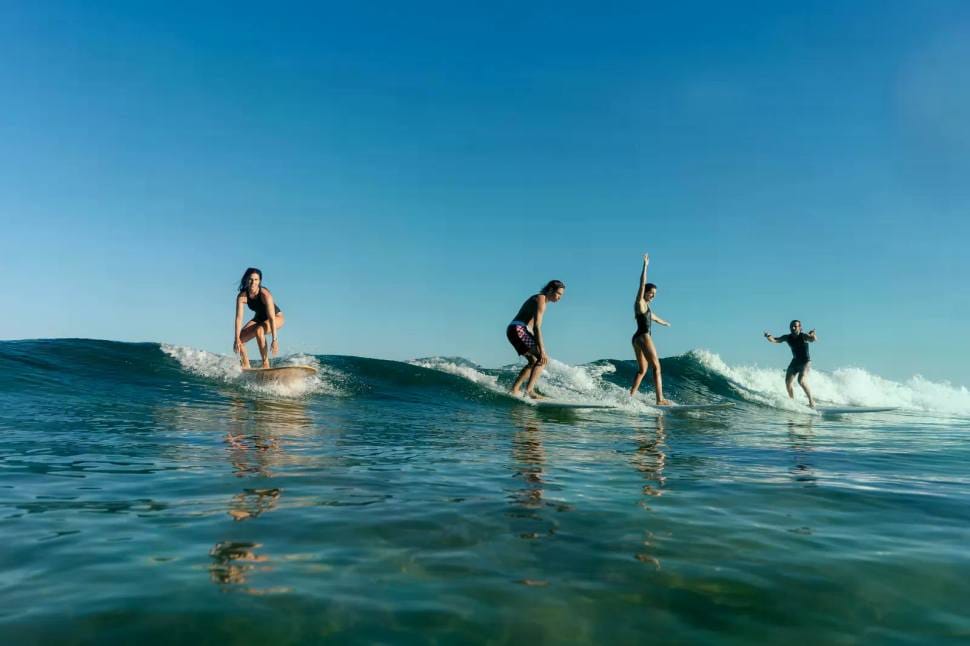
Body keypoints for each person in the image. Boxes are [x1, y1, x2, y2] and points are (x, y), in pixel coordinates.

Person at [506, 280, 565, 398]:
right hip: (518, 329)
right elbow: (537, 327)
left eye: (561, 295)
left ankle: (514, 389)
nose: (559, 298)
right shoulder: (541, 299)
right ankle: (529, 391)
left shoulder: (540, 299)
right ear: (550, 290)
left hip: (515, 329)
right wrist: (542, 351)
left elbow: (533, 328)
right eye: (558, 294)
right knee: (542, 359)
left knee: (533, 361)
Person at [629, 253, 671, 403]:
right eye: (651, 293)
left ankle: (630, 396)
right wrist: (645, 266)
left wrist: (665, 323)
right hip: (644, 336)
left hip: (636, 338)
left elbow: (653, 317)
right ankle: (660, 399)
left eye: (654, 294)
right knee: (657, 367)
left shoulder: (646, 308)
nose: (653, 296)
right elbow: (641, 283)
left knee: (642, 370)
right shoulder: (640, 302)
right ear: (645, 292)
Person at [233, 267, 285, 368]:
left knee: (259, 330)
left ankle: (266, 364)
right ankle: (246, 366)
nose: (253, 282)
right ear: (246, 279)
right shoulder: (242, 296)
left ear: (259, 281)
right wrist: (236, 339)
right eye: (251, 279)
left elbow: (271, 318)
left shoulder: (265, 295)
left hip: (276, 317)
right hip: (259, 318)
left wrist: (274, 339)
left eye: (256, 280)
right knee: (241, 339)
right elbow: (239, 318)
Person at [764, 321, 817, 408]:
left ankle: (812, 401)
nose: (793, 328)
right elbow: (775, 340)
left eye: (795, 326)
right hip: (795, 361)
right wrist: (768, 336)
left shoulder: (803, 336)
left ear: (799, 327)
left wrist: (813, 335)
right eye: (791, 326)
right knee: (788, 382)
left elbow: (813, 339)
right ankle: (792, 402)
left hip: (805, 362)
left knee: (801, 381)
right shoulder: (787, 337)